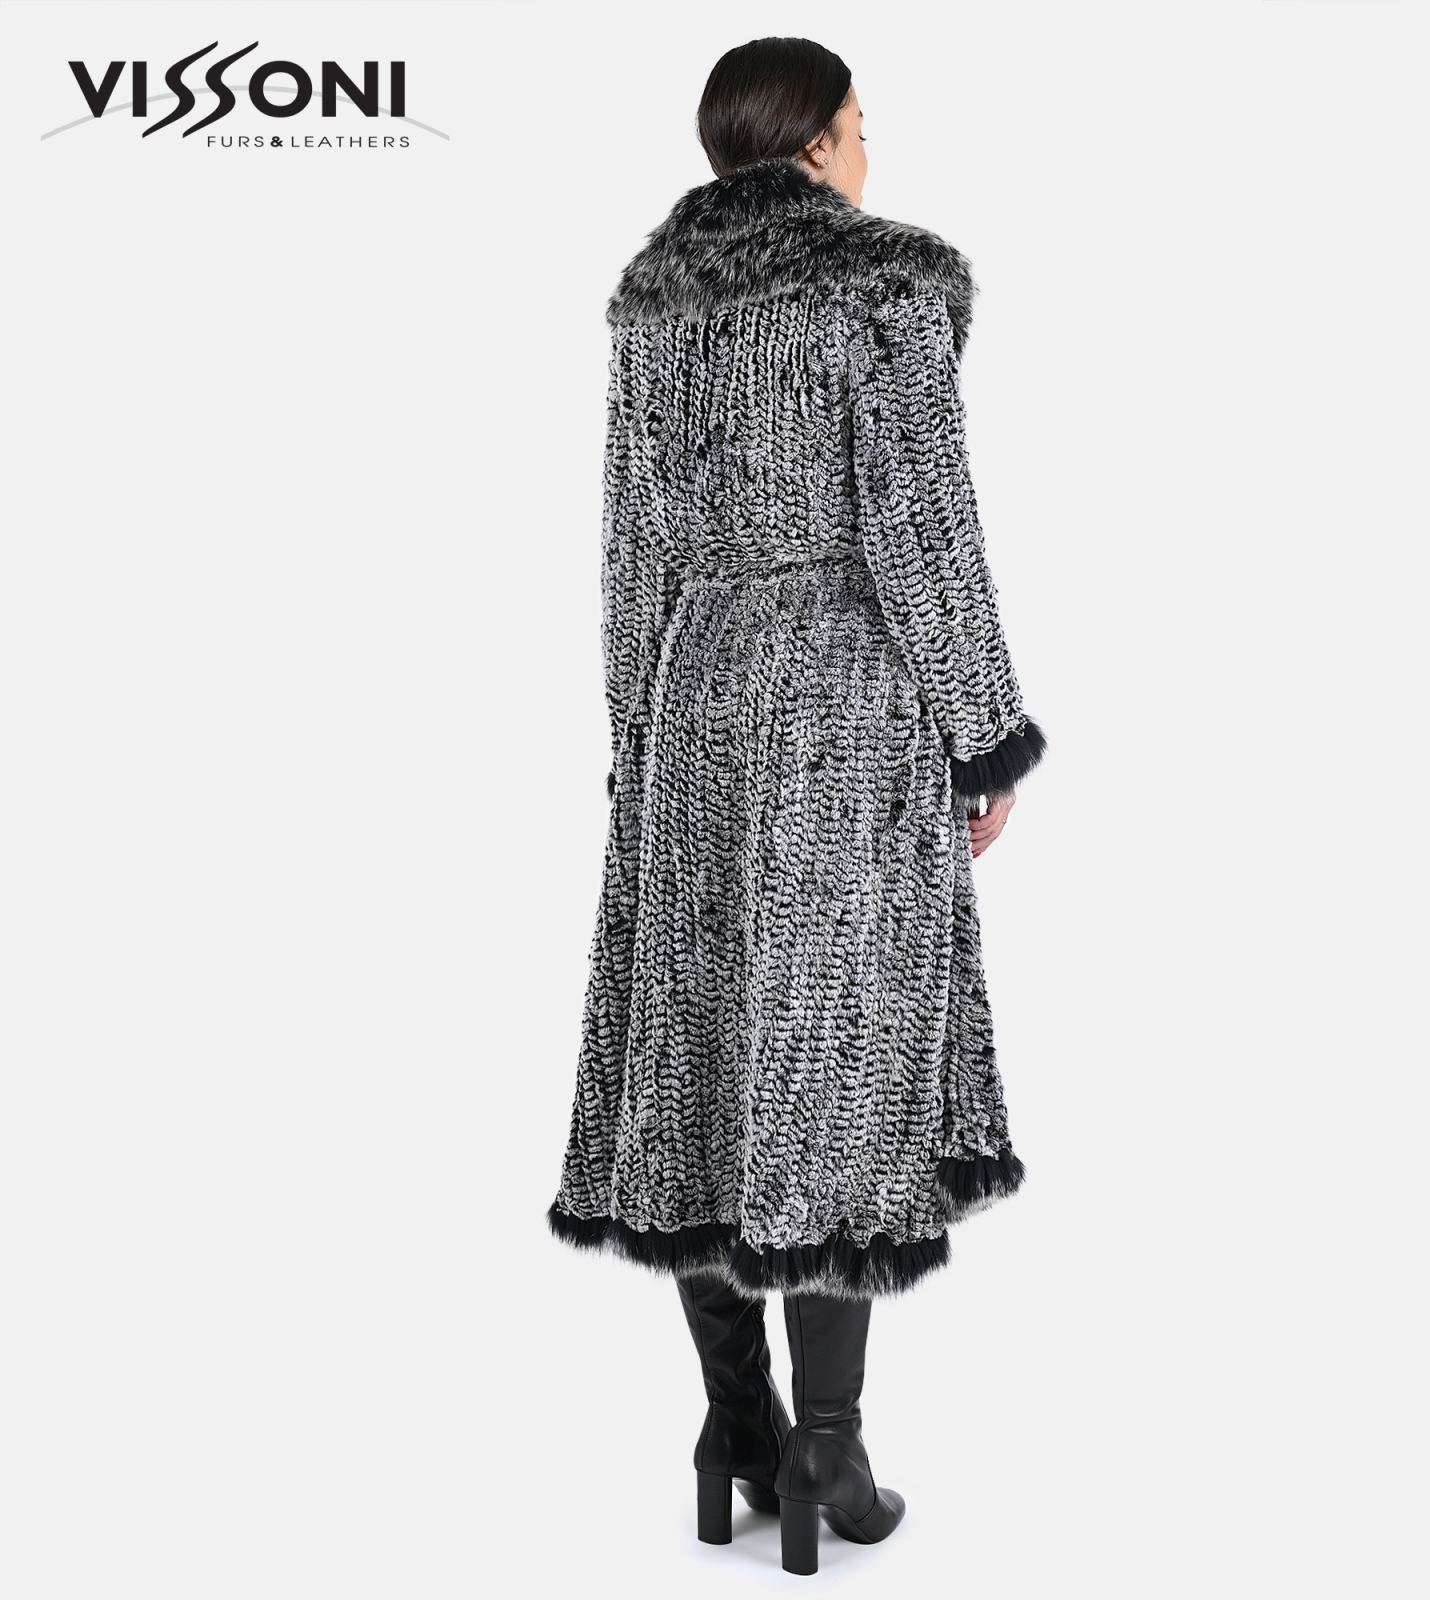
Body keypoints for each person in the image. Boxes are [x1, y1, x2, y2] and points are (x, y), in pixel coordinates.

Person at [546, 36, 1046, 1576]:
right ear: (819, 141)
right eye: (861, 125)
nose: (869, 150)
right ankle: (827, 1446)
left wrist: (639, 744)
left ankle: (735, 1429)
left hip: (695, 693)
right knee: (839, 1060)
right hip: (842, 693)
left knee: (701, 1057)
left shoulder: (655, 300)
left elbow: (629, 549)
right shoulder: (886, 285)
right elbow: (922, 525)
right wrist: (983, 736)